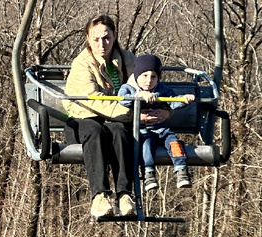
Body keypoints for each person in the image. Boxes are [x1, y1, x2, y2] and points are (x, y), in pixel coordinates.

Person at [61, 15, 171, 219]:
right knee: (96, 132)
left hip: (115, 121)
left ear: (114, 36)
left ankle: (124, 194)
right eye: (96, 39)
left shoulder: (127, 59)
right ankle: (99, 196)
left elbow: (150, 86)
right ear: (87, 38)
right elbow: (95, 101)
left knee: (120, 132)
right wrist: (134, 116)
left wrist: (166, 110)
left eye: (106, 38)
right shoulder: (82, 65)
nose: (102, 44)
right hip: (81, 120)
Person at [118, 54, 196, 192]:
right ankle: (149, 173)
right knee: (146, 145)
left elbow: (172, 100)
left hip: (161, 129)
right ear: (137, 76)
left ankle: (181, 170)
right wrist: (139, 96)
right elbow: (122, 100)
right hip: (142, 131)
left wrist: (183, 100)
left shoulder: (161, 89)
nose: (149, 81)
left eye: (153, 76)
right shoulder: (128, 88)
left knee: (174, 142)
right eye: (145, 76)